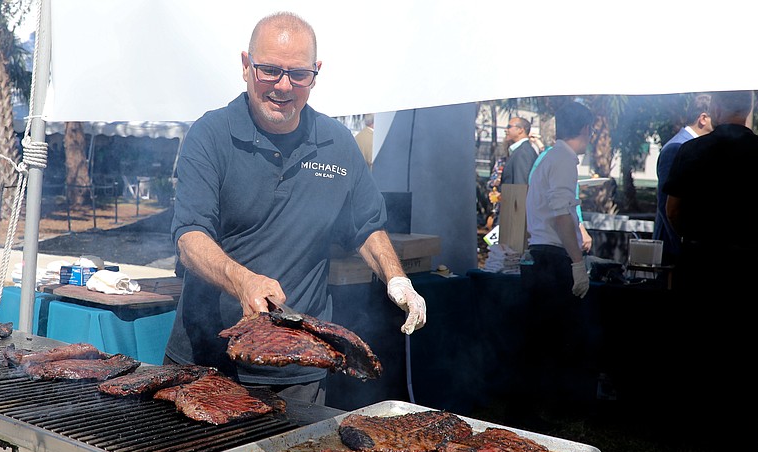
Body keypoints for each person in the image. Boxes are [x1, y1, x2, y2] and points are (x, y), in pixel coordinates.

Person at [164, 12, 427, 406]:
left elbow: (367, 226)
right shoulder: (210, 135)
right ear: (245, 66)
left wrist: (397, 280)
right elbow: (189, 237)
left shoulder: (337, 143)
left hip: (299, 370)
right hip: (206, 361)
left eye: (299, 74)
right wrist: (243, 281)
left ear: (316, 73)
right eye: (269, 70)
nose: (283, 86)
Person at [664, 89, 758, 452]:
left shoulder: (692, 151)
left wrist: (695, 237)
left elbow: (673, 209)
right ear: (749, 109)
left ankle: (691, 432)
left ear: (717, 109)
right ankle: (738, 440)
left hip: (699, 261)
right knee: (742, 350)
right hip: (745, 265)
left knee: (695, 342)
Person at [514, 100, 597, 428]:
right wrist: (577, 262)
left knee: (538, 340)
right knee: (553, 341)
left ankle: (531, 411)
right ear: (587, 130)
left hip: (539, 256)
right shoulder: (563, 159)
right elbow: (563, 214)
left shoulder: (548, 156)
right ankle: (543, 415)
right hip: (551, 260)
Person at [653, 93, 712, 265]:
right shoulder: (676, 147)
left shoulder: (689, 146)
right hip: (674, 251)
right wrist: (682, 244)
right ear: (703, 119)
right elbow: (666, 204)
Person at [487, 117, 539, 227]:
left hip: (514, 221)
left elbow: (521, 189)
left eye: (509, 127)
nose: (506, 130)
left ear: (521, 130)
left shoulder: (523, 153)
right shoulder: (519, 151)